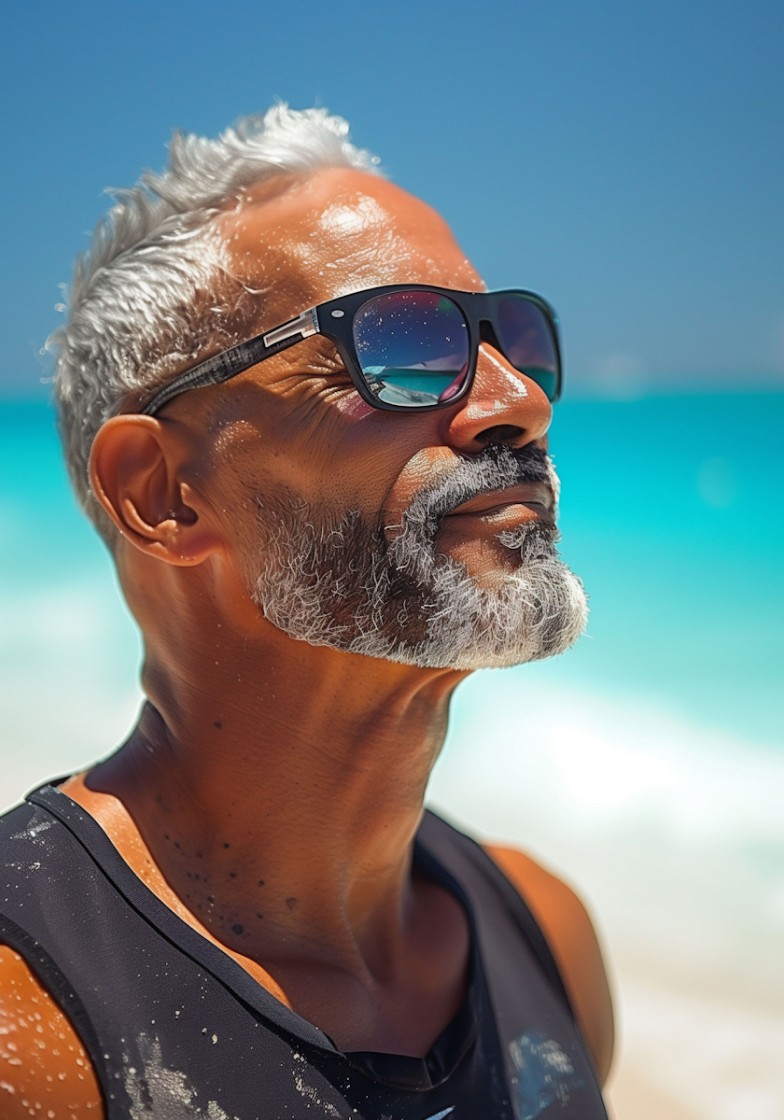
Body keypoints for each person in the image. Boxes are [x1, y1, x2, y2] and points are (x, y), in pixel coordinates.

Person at [0, 106, 613, 1119]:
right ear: (162, 491)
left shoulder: (546, 935)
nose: (516, 401)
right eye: (402, 344)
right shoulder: (34, 1025)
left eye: (512, 339)